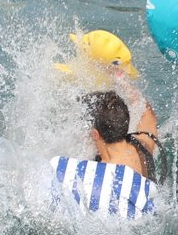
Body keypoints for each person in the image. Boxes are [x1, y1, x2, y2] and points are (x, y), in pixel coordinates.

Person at [50, 90, 160, 218]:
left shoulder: (95, 177)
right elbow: (148, 113)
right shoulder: (143, 145)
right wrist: (122, 79)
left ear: (95, 134)